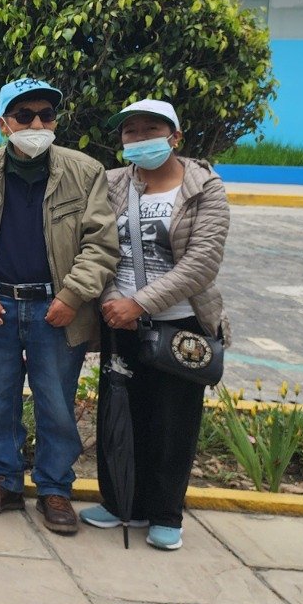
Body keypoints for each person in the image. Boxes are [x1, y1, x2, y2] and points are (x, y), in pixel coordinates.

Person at [0, 77, 117, 535]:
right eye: (25, 116)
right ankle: (2, 480)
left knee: (57, 403)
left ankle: (54, 488)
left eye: (46, 114)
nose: (37, 123)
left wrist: (72, 295)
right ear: (4, 124)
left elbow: (101, 244)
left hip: (57, 310)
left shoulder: (84, 172)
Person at [85, 99, 230, 552]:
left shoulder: (204, 188)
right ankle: (120, 503)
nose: (140, 139)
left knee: (174, 420)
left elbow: (201, 263)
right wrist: (113, 301)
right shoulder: (110, 184)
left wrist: (139, 304)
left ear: (176, 137)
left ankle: (166, 513)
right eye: (131, 132)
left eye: (151, 130)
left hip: (180, 323)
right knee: (120, 411)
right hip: (118, 321)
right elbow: (95, 245)